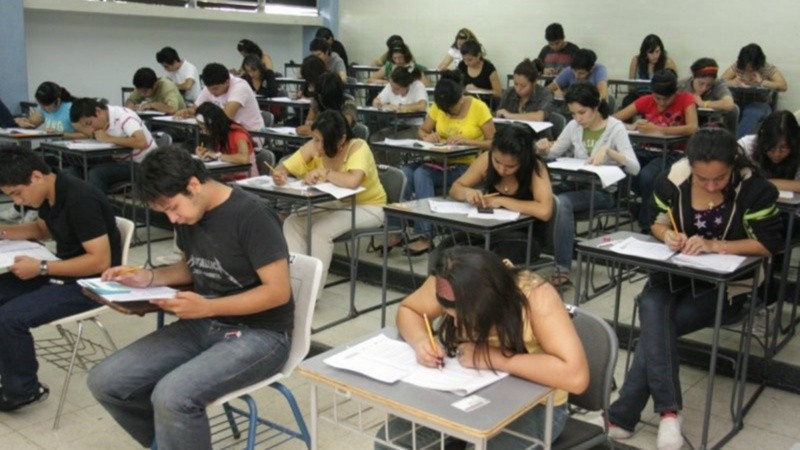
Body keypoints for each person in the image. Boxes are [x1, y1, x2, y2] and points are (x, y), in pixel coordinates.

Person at [87, 147, 292, 450]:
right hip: (205, 322)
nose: (173, 218)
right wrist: (149, 277)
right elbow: (194, 265)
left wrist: (207, 306)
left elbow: (278, 292)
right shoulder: (190, 215)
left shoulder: (251, 215)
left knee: (172, 397)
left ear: (194, 185)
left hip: (261, 334)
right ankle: (170, 441)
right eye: (165, 213)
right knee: (106, 381)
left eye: (173, 207)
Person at [603, 128, 783, 450]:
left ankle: (625, 415)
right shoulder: (673, 181)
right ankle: (669, 413)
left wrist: (716, 245)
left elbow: (768, 244)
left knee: (657, 323)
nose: (712, 186)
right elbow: (655, 221)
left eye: (720, 178)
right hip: (673, 275)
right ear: (691, 167)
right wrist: (666, 235)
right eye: (703, 179)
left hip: (727, 287)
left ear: (733, 165)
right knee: (655, 307)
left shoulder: (755, 190)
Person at [376, 246, 589, 449]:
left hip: (538, 405)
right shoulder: (450, 282)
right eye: (451, 316)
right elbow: (409, 310)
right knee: (392, 441)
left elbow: (576, 377)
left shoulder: (536, 297)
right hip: (469, 391)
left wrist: (493, 358)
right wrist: (421, 341)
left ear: (488, 305)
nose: (457, 325)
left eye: (464, 318)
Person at [0, 145, 121, 412]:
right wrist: (5, 232)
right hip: (62, 269)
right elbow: (43, 229)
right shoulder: (51, 192)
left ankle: (23, 391)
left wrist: (41, 268)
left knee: (9, 317)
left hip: (93, 283)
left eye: (18, 193)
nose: (18, 202)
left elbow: (100, 261)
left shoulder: (80, 198)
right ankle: (9, 368)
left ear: (35, 176)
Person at [536, 83, 640, 286]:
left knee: (561, 202)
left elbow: (635, 167)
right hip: (575, 184)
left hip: (602, 192)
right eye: (573, 114)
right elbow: (554, 152)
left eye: (582, 112)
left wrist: (610, 152)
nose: (577, 118)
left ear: (596, 107)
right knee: (540, 195)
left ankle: (563, 267)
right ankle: (535, 251)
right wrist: (541, 148)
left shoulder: (615, 128)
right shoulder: (574, 126)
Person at [273, 110, 386, 287]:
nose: (316, 145)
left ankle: (311, 293)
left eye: (320, 140)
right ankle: (294, 283)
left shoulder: (358, 147)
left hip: (369, 206)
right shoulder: (315, 145)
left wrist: (324, 172)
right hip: (338, 202)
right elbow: (285, 166)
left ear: (341, 140)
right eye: (315, 139)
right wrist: (279, 173)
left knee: (320, 231)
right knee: (293, 222)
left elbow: (352, 181)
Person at [402, 71, 496, 256]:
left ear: (460, 98)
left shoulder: (479, 108)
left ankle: (426, 235)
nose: (448, 113)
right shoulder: (439, 106)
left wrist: (469, 142)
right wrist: (429, 136)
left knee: (422, 174)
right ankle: (399, 230)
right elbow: (422, 130)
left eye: (452, 109)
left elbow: (494, 142)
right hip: (438, 160)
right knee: (404, 173)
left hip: (466, 166)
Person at [448, 124, 554, 264]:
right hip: (488, 230)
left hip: (524, 237)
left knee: (485, 263)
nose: (502, 170)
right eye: (497, 162)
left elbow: (545, 211)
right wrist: (468, 192)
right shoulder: (486, 159)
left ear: (523, 160)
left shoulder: (535, 168)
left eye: (510, 166)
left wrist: (502, 201)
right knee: (445, 253)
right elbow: (455, 188)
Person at [614, 69, 698, 231]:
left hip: (674, 152)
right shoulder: (646, 100)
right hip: (647, 149)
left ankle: (648, 223)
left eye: (666, 99)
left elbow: (693, 128)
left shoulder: (686, 99)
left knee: (647, 177)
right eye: (657, 98)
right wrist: (632, 126)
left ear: (675, 93)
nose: (661, 103)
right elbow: (614, 119)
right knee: (621, 167)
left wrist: (658, 129)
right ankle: (648, 204)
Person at [69, 98, 157, 194]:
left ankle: (97, 208)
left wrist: (108, 138)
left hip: (144, 163)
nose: (91, 128)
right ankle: (81, 204)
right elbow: (77, 126)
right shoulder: (103, 120)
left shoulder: (123, 116)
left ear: (98, 111)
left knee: (97, 174)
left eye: (89, 123)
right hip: (120, 161)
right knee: (77, 167)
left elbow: (141, 142)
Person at [174, 63, 265, 132]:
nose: (212, 93)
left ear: (227, 82)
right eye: (209, 89)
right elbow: (195, 109)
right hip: (224, 133)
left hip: (250, 134)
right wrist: (186, 112)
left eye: (215, 89)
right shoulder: (211, 86)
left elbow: (225, 118)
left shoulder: (239, 87)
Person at [721, 43, 788, 137]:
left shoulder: (766, 68)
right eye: (746, 66)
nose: (748, 69)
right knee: (731, 109)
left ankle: (739, 146)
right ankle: (726, 141)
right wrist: (732, 82)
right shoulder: (738, 66)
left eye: (751, 66)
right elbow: (721, 81)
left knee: (752, 111)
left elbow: (783, 86)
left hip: (760, 104)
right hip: (739, 101)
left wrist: (762, 82)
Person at [369, 65, 428, 164]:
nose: (392, 90)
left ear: (407, 86)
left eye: (396, 89)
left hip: (417, 128)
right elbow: (376, 100)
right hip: (399, 124)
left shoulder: (417, 86)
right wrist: (378, 104)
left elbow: (421, 106)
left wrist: (400, 107)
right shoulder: (391, 85)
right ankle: (383, 169)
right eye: (391, 86)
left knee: (391, 141)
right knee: (375, 139)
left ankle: (395, 172)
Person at [740, 110, 800, 193]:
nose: (777, 153)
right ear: (762, 139)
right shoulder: (746, 145)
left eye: (784, 147)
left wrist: (765, 183)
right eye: (770, 146)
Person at [194, 102, 256, 179]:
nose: (203, 131)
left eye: (204, 128)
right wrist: (205, 153)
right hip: (227, 176)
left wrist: (217, 156)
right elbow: (215, 153)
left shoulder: (237, 134)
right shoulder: (218, 134)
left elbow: (244, 159)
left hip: (244, 178)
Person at [678, 58, 736, 133]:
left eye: (709, 85)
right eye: (701, 83)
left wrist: (703, 103)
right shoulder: (681, 86)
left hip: (712, 125)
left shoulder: (717, 84)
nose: (704, 88)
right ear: (693, 76)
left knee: (735, 109)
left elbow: (729, 104)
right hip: (686, 124)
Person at [622, 34, 679, 107]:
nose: (655, 56)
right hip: (639, 96)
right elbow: (631, 87)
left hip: (659, 97)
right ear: (645, 53)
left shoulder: (668, 62)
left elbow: (674, 86)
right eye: (651, 52)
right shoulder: (636, 61)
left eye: (657, 51)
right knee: (627, 100)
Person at [296, 72, 358, 137]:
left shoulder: (348, 104)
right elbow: (308, 122)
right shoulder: (317, 100)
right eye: (319, 94)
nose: (320, 98)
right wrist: (307, 126)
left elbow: (341, 129)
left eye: (322, 96)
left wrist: (314, 131)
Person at [13, 82, 83, 138]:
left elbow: (86, 134)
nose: (43, 109)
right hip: (53, 149)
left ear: (57, 101)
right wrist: (23, 122)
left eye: (45, 106)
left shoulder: (71, 109)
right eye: (41, 105)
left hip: (71, 151)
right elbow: (32, 123)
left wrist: (61, 134)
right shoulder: (43, 108)